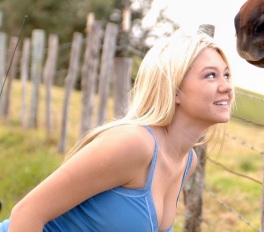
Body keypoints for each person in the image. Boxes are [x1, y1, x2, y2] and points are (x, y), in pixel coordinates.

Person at [0, 29, 234, 232]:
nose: (226, 86)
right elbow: (27, 213)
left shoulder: (187, 161)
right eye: (211, 75)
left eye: (226, 74)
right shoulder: (133, 143)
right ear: (174, 90)